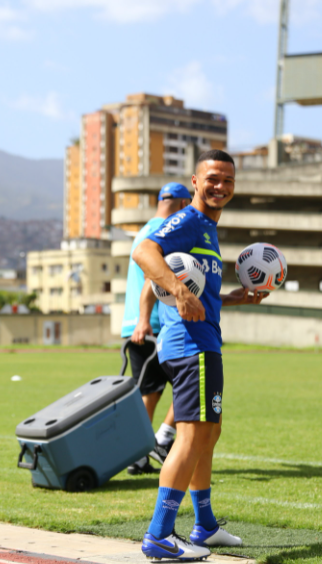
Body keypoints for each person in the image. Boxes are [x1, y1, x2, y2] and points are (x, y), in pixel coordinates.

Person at [133, 150, 265, 560]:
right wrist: (178, 289)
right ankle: (158, 535)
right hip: (191, 347)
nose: (220, 186)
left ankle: (205, 527)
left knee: (209, 433)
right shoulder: (190, 220)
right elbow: (144, 252)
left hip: (203, 342)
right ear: (195, 181)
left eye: (228, 180)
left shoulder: (208, 228)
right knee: (191, 437)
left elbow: (201, 295)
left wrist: (231, 298)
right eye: (212, 178)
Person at [122, 182, 191, 475]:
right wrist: (144, 320)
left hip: (140, 323)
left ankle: (142, 451)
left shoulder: (146, 228)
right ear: (182, 202)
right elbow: (155, 276)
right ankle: (154, 443)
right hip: (152, 325)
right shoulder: (166, 231)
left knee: (153, 390)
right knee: (178, 387)